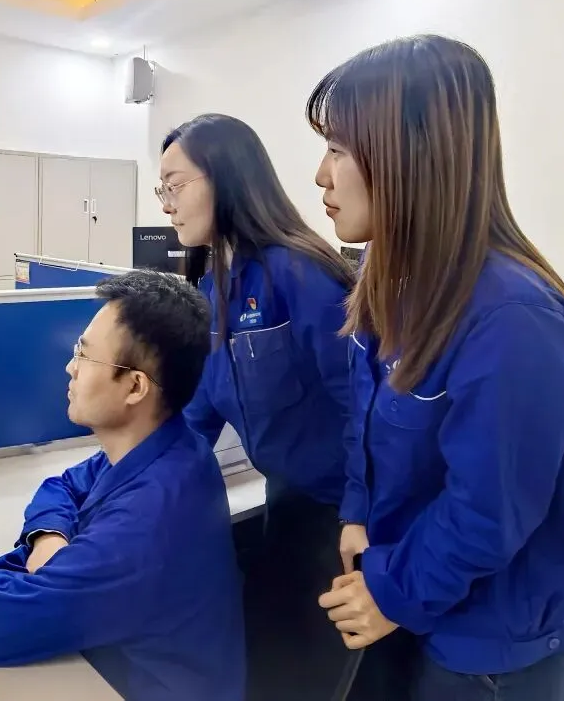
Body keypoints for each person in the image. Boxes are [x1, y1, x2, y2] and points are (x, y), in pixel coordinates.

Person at [310, 35, 564, 701]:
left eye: (338, 149)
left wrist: (393, 590)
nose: (321, 176)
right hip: (412, 585)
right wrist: (358, 513)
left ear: (412, 156)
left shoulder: (512, 318)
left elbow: (490, 508)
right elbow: (365, 418)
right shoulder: (388, 276)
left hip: (491, 638)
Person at [0, 270, 246, 701]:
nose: (70, 367)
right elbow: (63, 486)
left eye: (85, 356)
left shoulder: (145, 529)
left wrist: (47, 567)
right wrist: (49, 541)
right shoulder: (167, 446)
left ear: (134, 386)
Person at [157, 113, 357, 700]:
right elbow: (193, 419)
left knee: (301, 678)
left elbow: (367, 415)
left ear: (226, 178)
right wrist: (123, 486)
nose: (167, 205)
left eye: (176, 185)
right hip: (286, 504)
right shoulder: (212, 288)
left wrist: (365, 521)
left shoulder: (301, 275)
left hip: (344, 517)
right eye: (161, 190)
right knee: (265, 663)